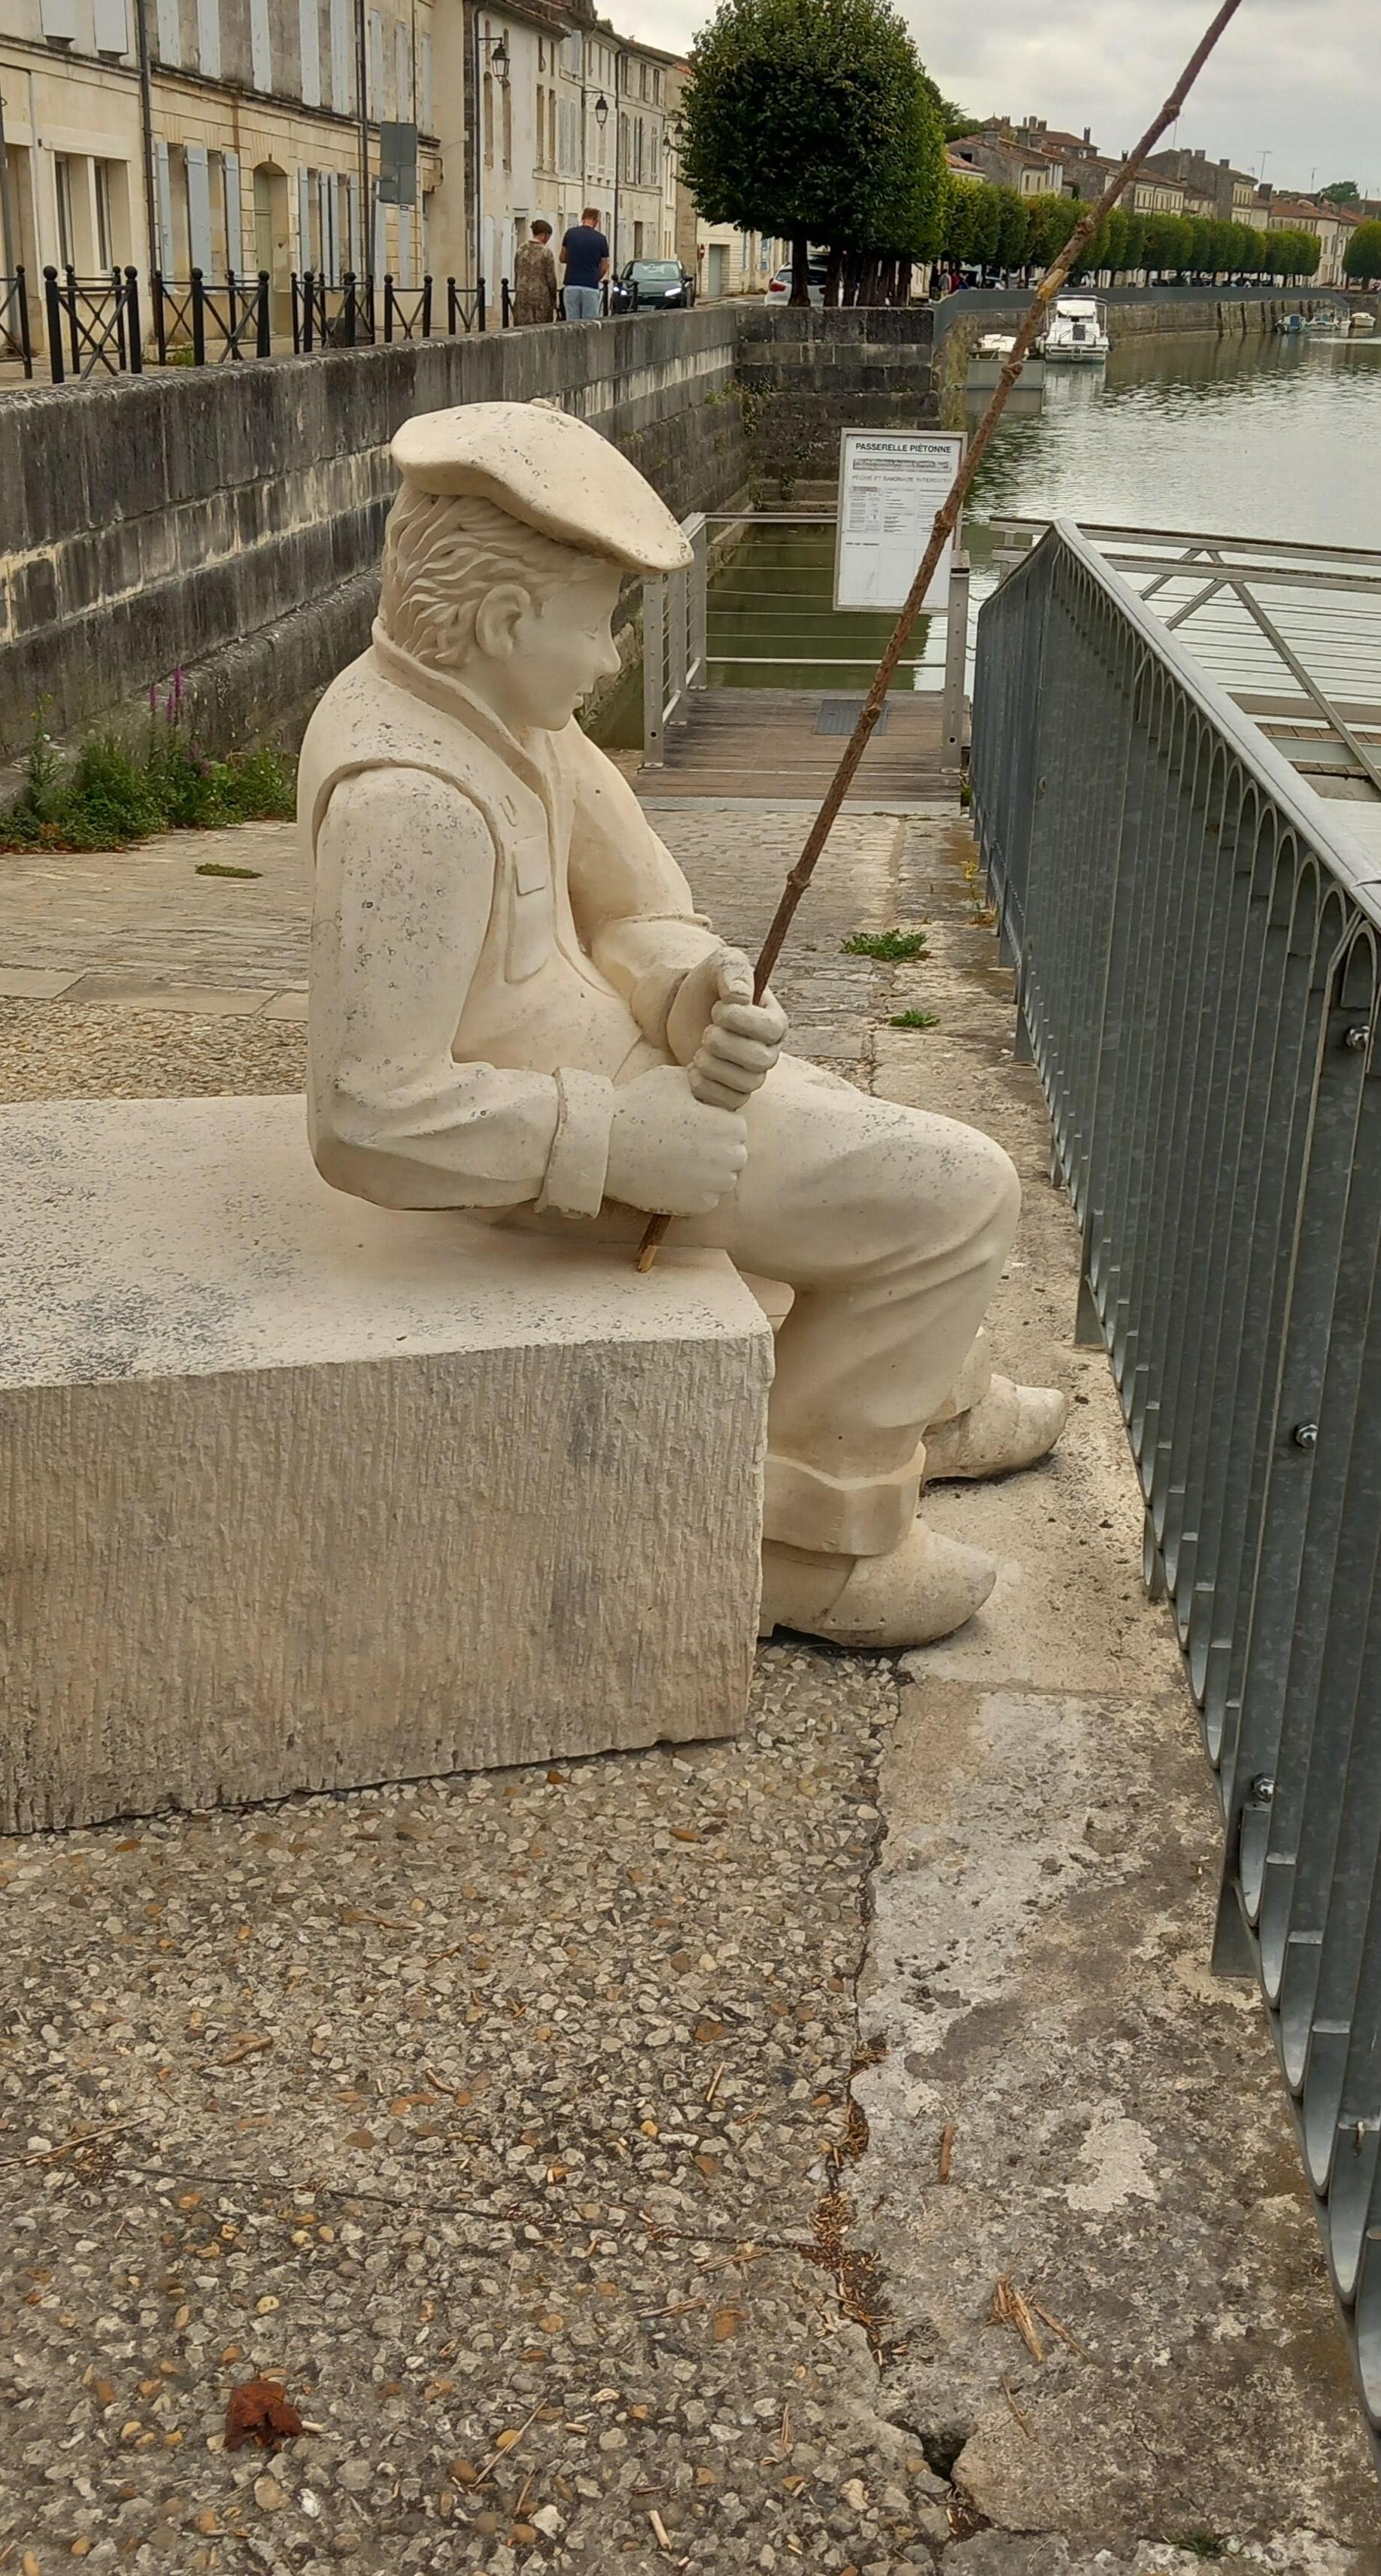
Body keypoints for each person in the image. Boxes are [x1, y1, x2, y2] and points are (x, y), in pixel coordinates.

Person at [298, 401, 1067, 1652]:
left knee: (870, 1144)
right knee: (962, 1193)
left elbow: (638, 907)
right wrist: (613, 1145)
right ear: (501, 622)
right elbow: (364, 1114)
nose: (611, 662)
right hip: (577, 1143)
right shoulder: (413, 801)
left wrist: (692, 985)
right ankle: (800, 1545)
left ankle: (913, 1397)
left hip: (633, 1074)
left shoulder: (507, 719)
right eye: (597, 621)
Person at [560, 209, 609, 322]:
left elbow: (562, 258)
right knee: (589, 324)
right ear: (596, 220)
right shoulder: (601, 239)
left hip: (571, 284)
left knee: (572, 323)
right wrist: (595, 278)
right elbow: (605, 265)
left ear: (583, 218)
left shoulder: (570, 234)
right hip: (590, 286)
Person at [511, 218, 557, 328]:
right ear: (544, 235)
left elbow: (517, 272)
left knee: (521, 331)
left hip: (522, 297)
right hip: (541, 298)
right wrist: (554, 297)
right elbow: (551, 278)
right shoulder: (546, 252)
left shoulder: (521, 250)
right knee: (542, 331)